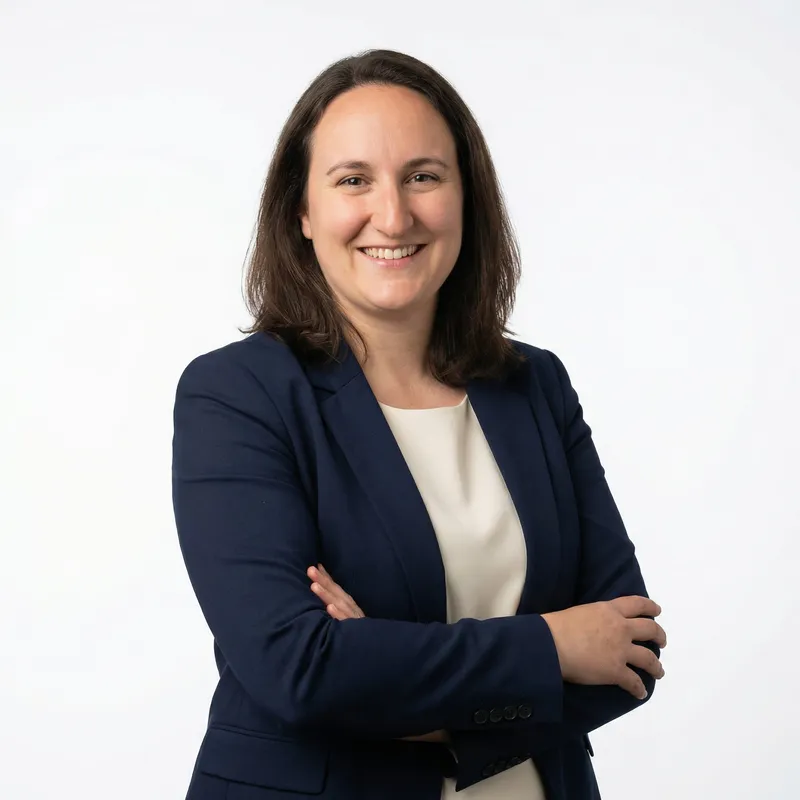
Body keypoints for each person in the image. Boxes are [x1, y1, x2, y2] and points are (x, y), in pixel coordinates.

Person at [171, 48, 667, 800]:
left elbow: (627, 652)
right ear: (301, 212)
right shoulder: (237, 395)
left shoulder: (534, 386)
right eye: (353, 181)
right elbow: (300, 673)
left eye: (424, 176)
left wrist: (381, 670)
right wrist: (552, 645)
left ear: (466, 198)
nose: (394, 215)